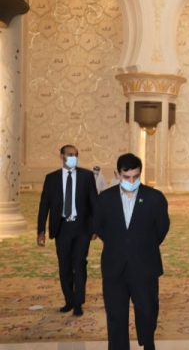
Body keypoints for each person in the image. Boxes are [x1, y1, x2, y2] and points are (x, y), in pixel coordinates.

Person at [93, 153, 170, 350]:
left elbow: (162, 228)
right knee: (116, 314)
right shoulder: (105, 199)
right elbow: (99, 227)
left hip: (145, 266)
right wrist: (118, 244)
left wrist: (142, 245)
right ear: (118, 174)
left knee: (147, 311)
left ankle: (147, 343)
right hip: (114, 266)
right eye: (127, 177)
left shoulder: (155, 198)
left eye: (136, 176)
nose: (132, 181)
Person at [36, 144, 98, 316]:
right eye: (70, 154)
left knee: (79, 264)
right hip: (61, 227)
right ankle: (69, 300)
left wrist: (95, 228)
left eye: (76, 155)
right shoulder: (51, 178)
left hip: (82, 228)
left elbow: (95, 204)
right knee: (64, 266)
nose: (73, 157)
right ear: (61, 156)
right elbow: (44, 206)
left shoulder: (87, 176)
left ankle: (78, 302)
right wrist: (40, 230)